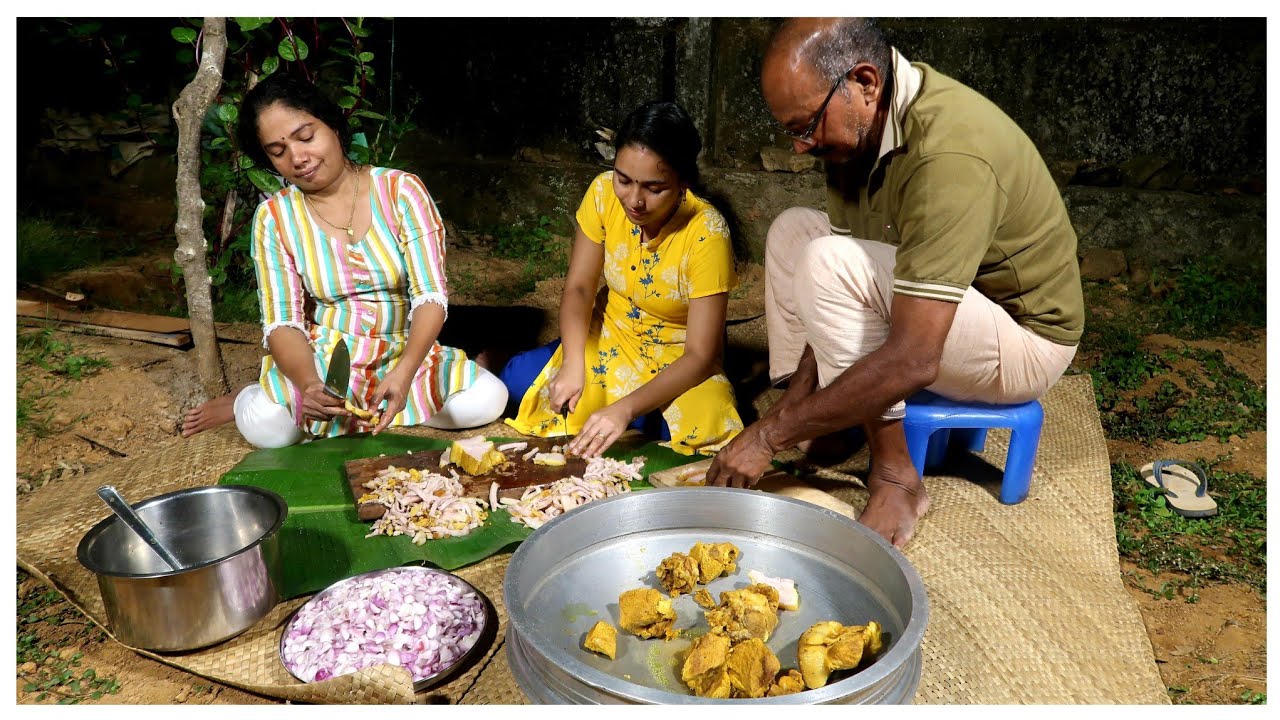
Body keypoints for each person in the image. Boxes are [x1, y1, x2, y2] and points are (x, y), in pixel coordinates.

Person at [706, 18, 1084, 548]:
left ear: (865, 82)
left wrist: (768, 436)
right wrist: (792, 414)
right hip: (949, 301)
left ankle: (896, 475)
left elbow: (914, 358)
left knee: (827, 261)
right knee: (795, 232)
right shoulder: (856, 128)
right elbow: (829, 297)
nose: (800, 147)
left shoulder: (950, 153)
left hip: (1024, 338)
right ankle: (829, 416)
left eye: (806, 126)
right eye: (792, 130)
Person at [182, 73, 507, 448]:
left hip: (406, 354)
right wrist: (308, 385)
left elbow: (430, 297)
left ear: (333, 125)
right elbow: (282, 321)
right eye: (278, 151)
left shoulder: (401, 191)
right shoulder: (274, 217)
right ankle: (248, 396)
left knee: (487, 401)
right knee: (268, 428)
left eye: (306, 137)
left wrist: (404, 373)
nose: (298, 158)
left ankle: (388, 400)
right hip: (325, 360)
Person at [501, 101, 743, 458]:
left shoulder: (708, 232)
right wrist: (572, 363)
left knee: (705, 426)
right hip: (610, 335)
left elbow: (700, 355)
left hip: (677, 357)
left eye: (654, 188)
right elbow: (579, 288)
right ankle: (625, 410)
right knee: (519, 383)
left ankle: (629, 411)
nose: (634, 201)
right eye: (624, 180)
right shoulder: (602, 193)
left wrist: (624, 409)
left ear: (683, 182)